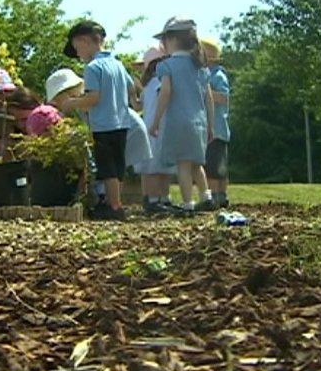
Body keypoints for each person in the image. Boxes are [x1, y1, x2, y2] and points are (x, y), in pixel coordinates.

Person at [59, 20, 135, 221]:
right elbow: (132, 88)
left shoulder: (92, 67)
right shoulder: (117, 64)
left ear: (83, 41)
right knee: (118, 166)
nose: (78, 55)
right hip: (122, 122)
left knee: (107, 168)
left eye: (77, 49)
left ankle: (114, 206)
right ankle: (118, 203)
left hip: (103, 124)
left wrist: (71, 103)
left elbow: (94, 98)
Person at [149, 17, 216, 212]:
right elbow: (209, 99)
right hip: (199, 122)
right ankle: (206, 196)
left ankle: (188, 204)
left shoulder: (167, 66)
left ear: (171, 40)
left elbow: (166, 93)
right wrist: (210, 126)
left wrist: (155, 121)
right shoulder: (200, 67)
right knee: (196, 162)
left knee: (183, 165)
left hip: (177, 122)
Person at [135, 47, 176, 214]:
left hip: (154, 127)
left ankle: (155, 199)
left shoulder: (154, 83)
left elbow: (142, 105)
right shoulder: (158, 82)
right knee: (159, 166)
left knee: (154, 166)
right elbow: (141, 105)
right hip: (159, 127)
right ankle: (160, 198)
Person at [201, 38, 231, 208]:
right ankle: (219, 195)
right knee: (216, 164)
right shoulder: (207, 75)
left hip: (217, 129)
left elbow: (223, 97)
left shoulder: (217, 75)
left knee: (215, 167)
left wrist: (206, 91)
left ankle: (216, 195)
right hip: (212, 129)